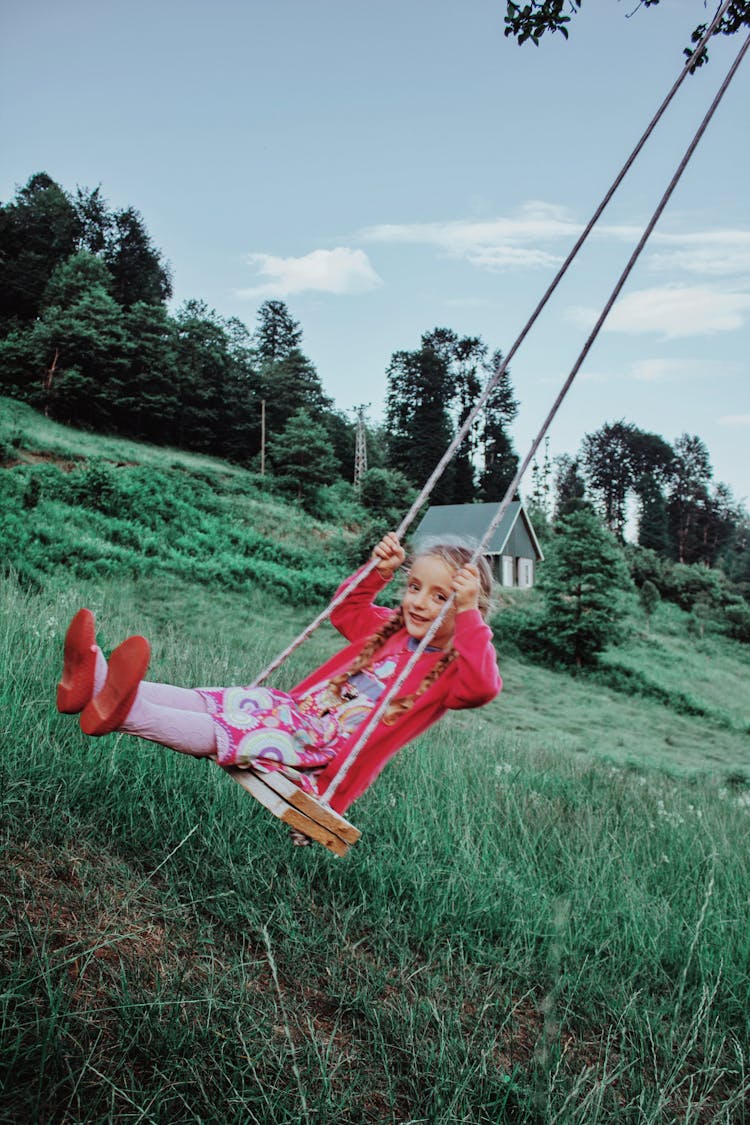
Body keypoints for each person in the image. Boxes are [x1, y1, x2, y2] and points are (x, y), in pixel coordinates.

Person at [56, 533, 502, 832]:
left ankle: (126, 711)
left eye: (441, 597)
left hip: (317, 756)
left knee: (243, 729)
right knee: (224, 702)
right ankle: (93, 681)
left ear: (469, 610)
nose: (420, 603)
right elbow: (346, 608)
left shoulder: (453, 672)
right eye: (415, 587)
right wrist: (379, 570)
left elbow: (484, 687)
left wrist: (465, 615)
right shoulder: (389, 627)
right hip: (294, 712)